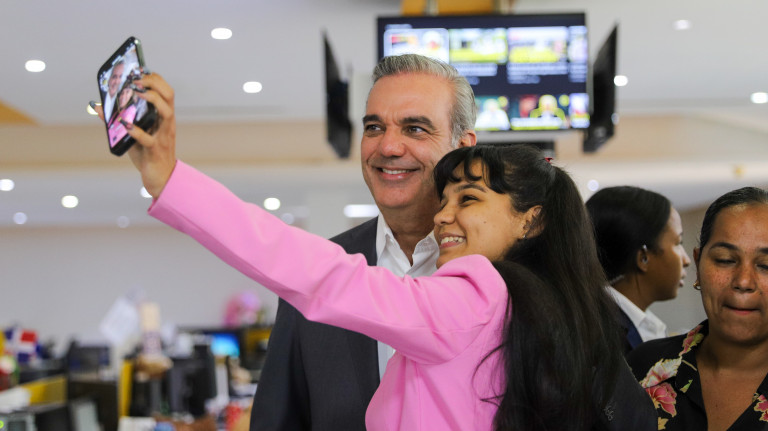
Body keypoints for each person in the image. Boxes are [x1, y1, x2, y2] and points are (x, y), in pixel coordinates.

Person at [251, 54, 477, 431]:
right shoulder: (313, 274)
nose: (388, 146)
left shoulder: (506, 269)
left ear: (463, 147)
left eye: (415, 128)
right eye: (374, 127)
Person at [626, 186, 768, 430]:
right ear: (698, 264)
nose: (744, 282)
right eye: (725, 260)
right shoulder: (644, 368)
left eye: (765, 265)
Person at [586, 186, 691, 355]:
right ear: (643, 258)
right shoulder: (602, 336)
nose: (686, 260)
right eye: (678, 243)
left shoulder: (629, 323)